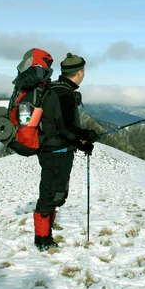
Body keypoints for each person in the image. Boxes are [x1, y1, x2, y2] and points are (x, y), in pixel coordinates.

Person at [33, 53, 98, 251]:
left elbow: (58, 126)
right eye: (83, 71)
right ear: (79, 73)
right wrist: (87, 134)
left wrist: (81, 143)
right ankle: (43, 240)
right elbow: (66, 129)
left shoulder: (57, 89)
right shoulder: (64, 94)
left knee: (55, 191)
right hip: (55, 152)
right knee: (50, 192)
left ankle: (47, 230)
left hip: (55, 148)